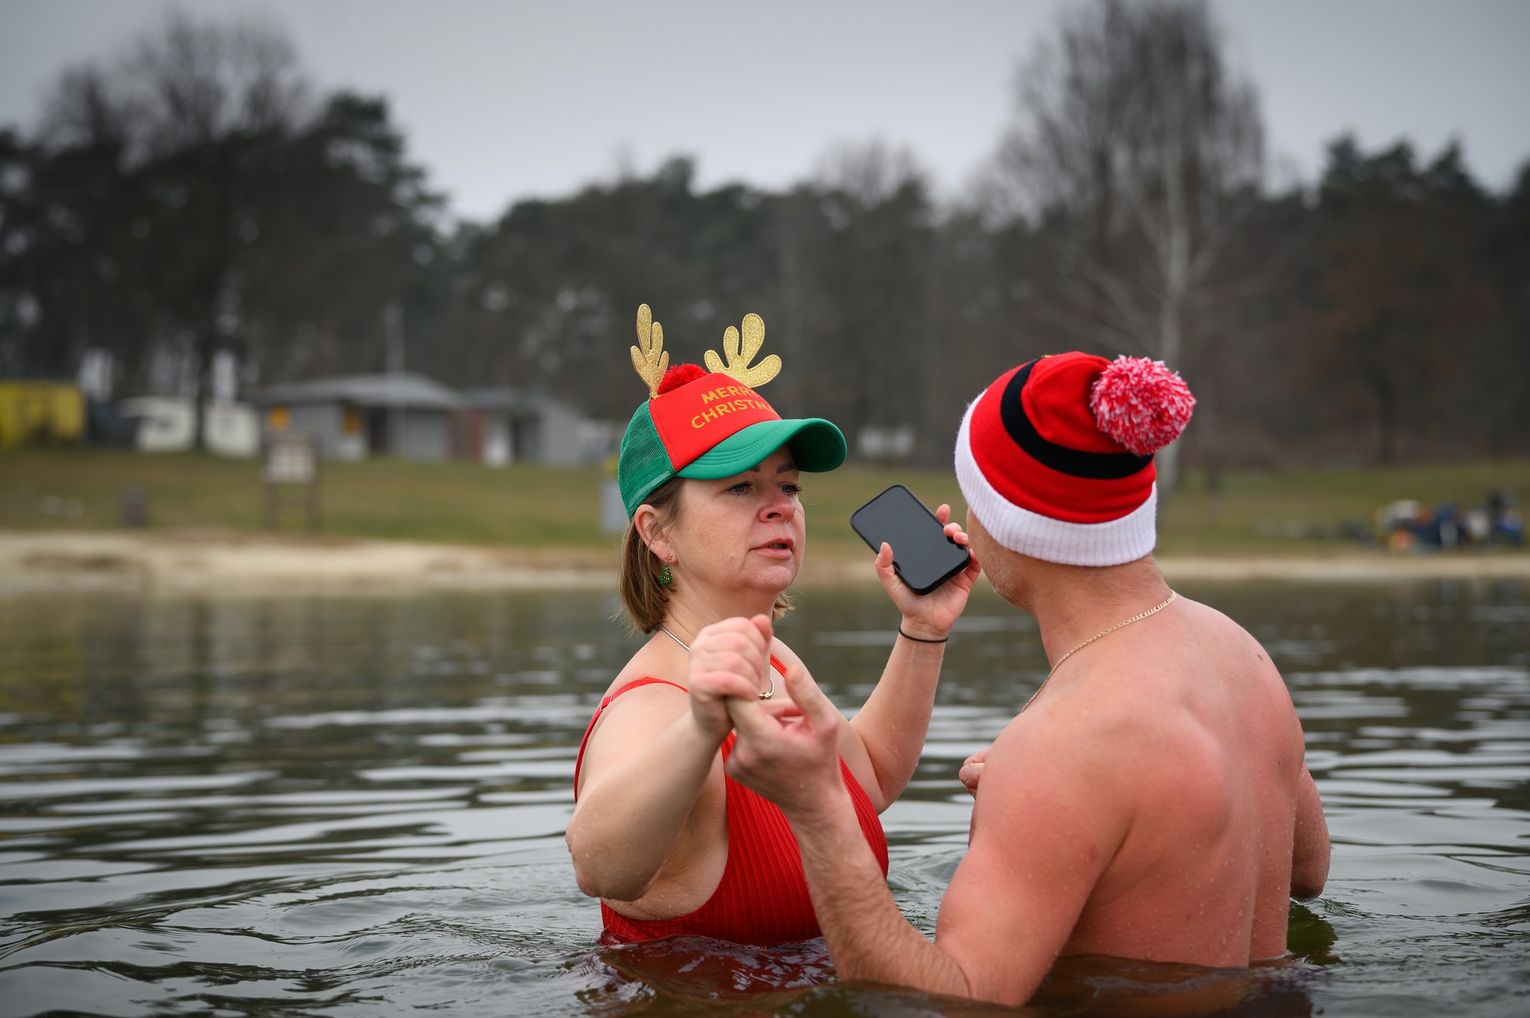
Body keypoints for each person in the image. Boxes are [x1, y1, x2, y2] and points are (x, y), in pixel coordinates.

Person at [717, 352, 1331, 1004]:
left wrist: (819, 811)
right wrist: (1067, 819)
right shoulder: (1242, 656)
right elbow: (1307, 871)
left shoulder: (1064, 746)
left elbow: (948, 1001)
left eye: (973, 495)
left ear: (1009, 523)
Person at [564, 304, 982, 945]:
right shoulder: (651, 707)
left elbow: (868, 778)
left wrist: (923, 629)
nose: (778, 508)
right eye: (740, 488)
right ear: (657, 533)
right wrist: (703, 727)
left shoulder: (776, 661)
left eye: (789, 487)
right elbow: (598, 868)